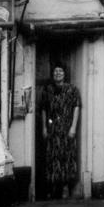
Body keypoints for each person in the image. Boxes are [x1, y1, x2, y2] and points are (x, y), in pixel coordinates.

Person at [41, 63, 81, 199]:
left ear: (65, 73)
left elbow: (77, 107)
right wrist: (44, 127)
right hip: (53, 130)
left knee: (67, 157)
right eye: (55, 71)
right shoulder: (48, 90)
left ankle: (65, 186)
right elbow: (44, 109)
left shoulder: (72, 89)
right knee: (52, 157)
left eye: (60, 71)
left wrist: (74, 127)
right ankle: (54, 188)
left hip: (66, 129)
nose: (58, 73)